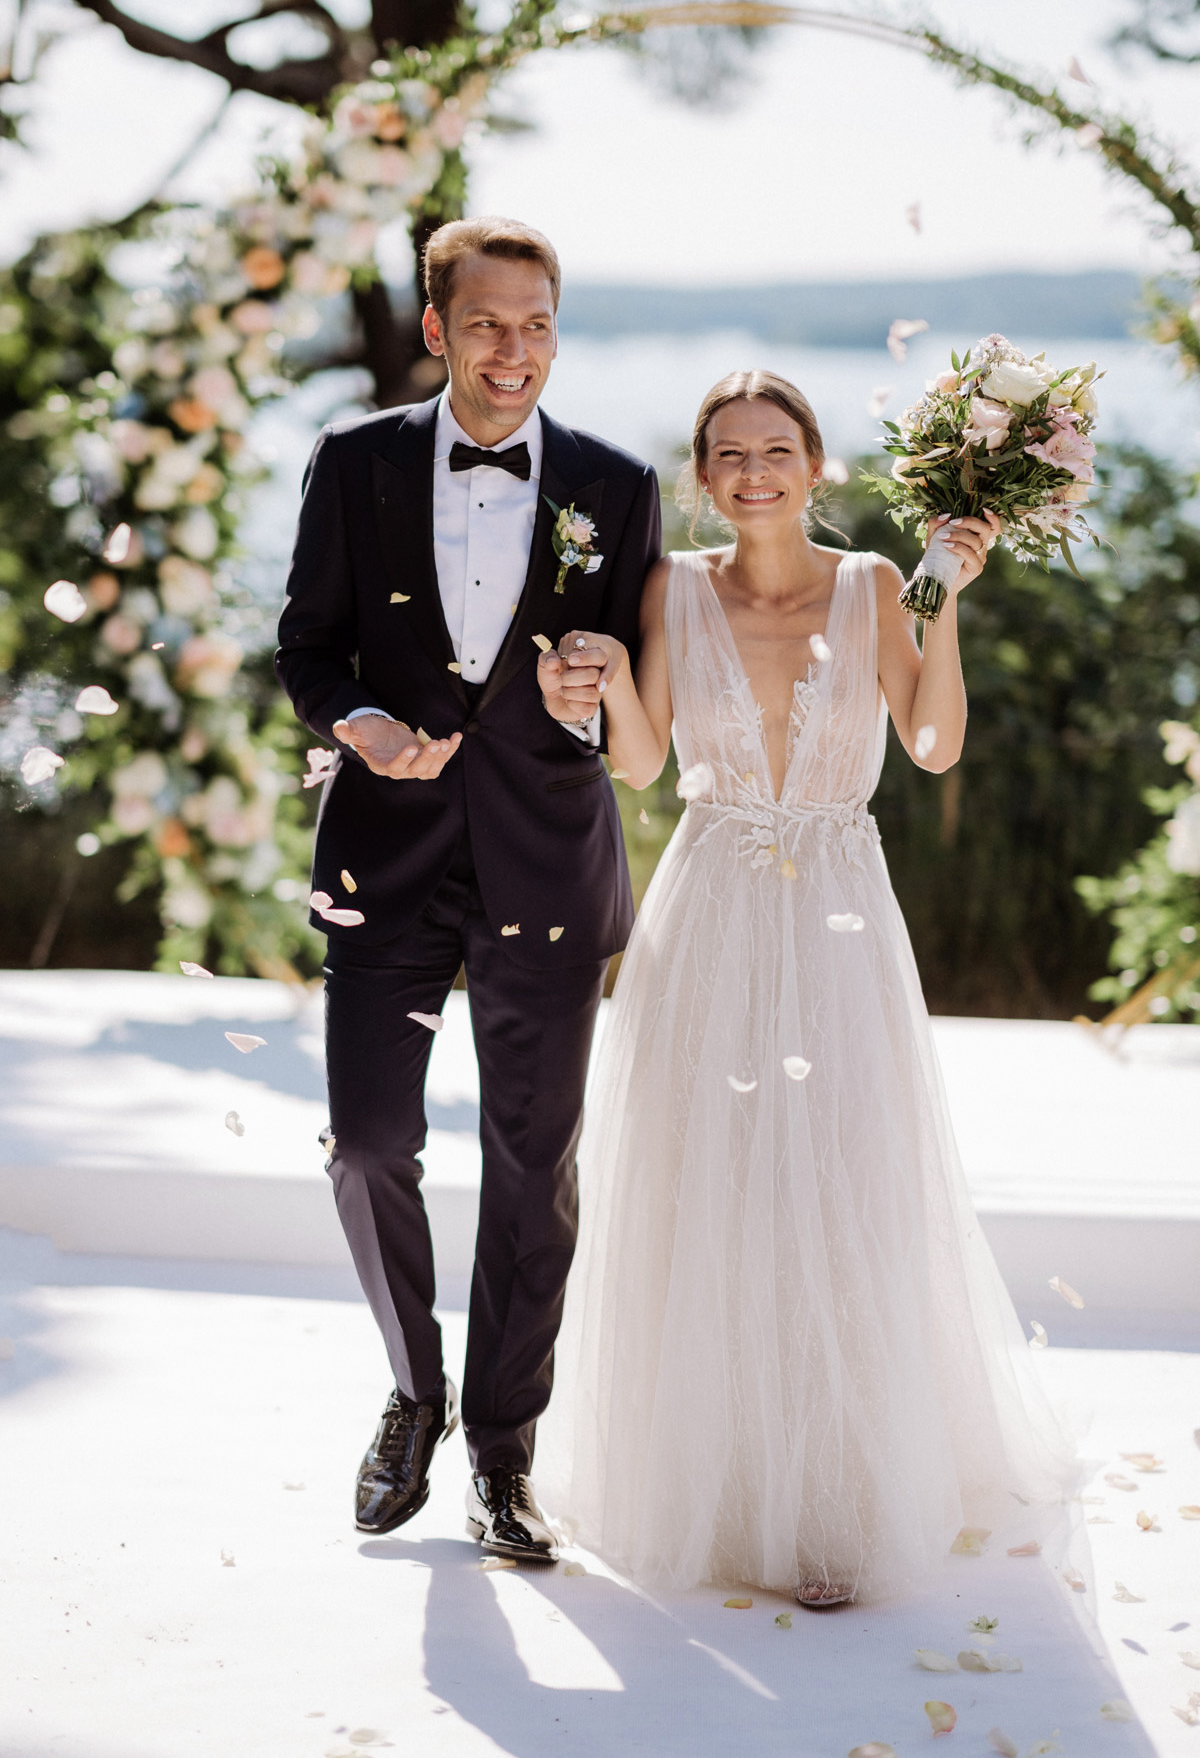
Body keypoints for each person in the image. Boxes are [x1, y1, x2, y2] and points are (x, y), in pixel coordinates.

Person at [535, 369, 1075, 1606]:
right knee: (710, 1184)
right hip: (710, 904)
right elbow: (640, 762)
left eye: (778, 448)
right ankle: (719, 1494)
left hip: (837, 910)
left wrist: (946, 602)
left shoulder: (879, 583)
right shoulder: (672, 585)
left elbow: (933, 743)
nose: (755, 471)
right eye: (730, 453)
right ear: (703, 476)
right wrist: (606, 670)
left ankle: (836, 1500)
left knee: (839, 1185)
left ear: (816, 465)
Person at [275, 217, 660, 1560]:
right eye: (488, 323)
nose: (516, 351)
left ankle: (505, 1455)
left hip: (548, 859)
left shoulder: (616, 483)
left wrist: (592, 691)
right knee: (370, 1144)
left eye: (539, 322)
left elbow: (636, 691)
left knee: (529, 1166)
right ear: (437, 328)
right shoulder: (354, 463)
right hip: (384, 857)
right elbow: (308, 644)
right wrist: (361, 725)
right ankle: (414, 1390)